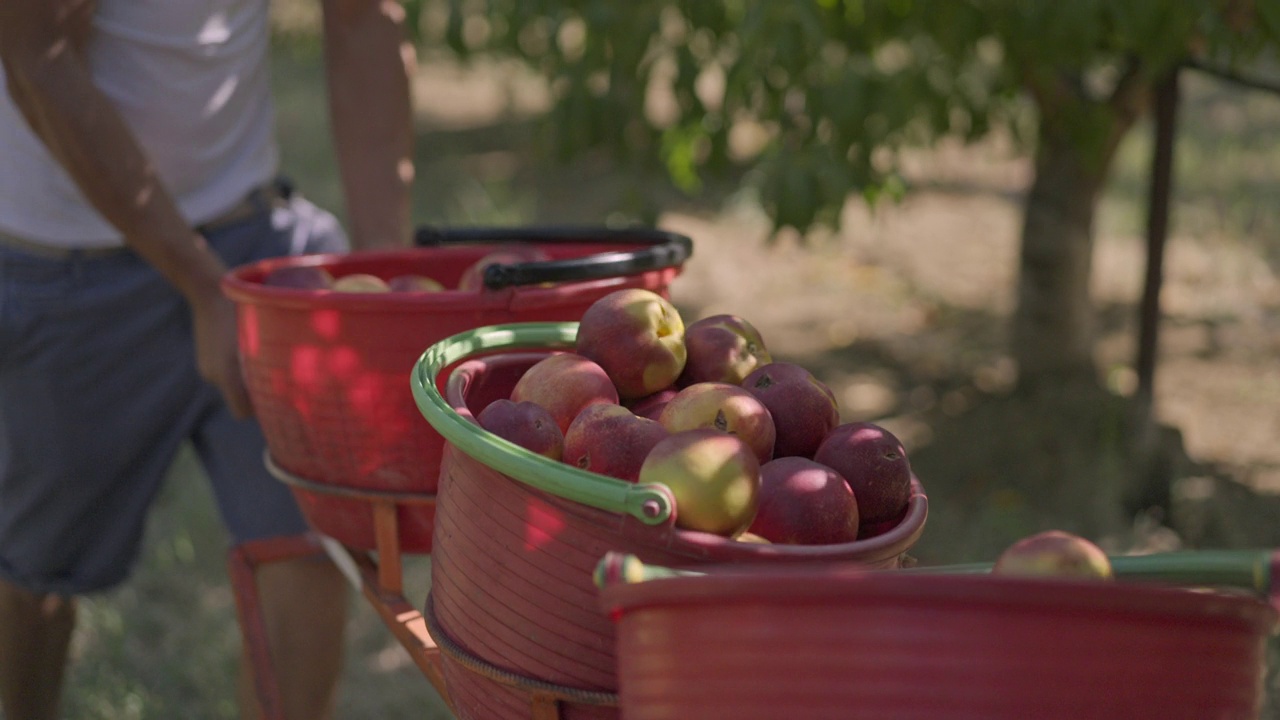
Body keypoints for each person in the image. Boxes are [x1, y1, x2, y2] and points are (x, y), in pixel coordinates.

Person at [0, 0, 416, 718]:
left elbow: (362, 17)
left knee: (309, 537)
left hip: (252, 237)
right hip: (66, 265)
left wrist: (390, 279)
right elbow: (38, 57)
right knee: (33, 571)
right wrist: (199, 284)